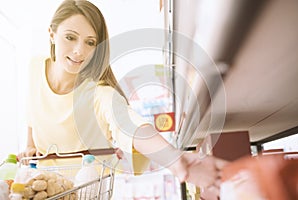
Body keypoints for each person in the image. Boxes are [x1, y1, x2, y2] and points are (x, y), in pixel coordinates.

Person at [18, 0, 227, 198]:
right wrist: (30, 145)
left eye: (90, 42)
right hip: (45, 188)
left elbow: (132, 125)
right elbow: (32, 112)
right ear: (52, 34)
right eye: (70, 37)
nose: (79, 51)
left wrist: (175, 159)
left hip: (87, 192)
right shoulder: (35, 66)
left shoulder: (98, 94)